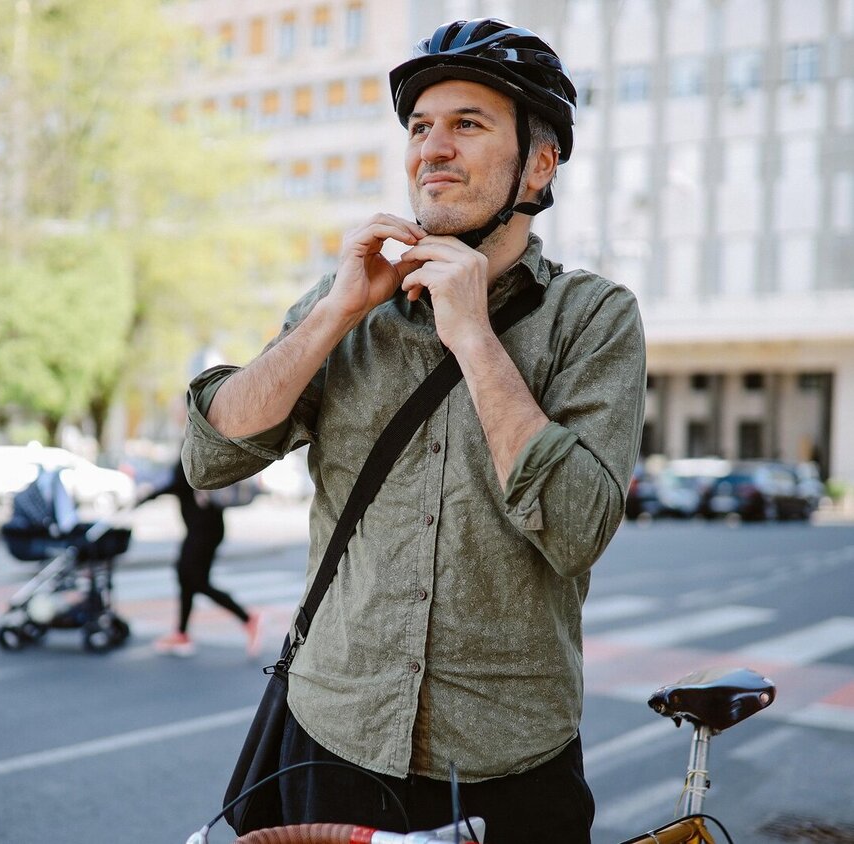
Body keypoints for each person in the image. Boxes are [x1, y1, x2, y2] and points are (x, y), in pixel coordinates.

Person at [182, 18, 645, 844]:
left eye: (467, 124)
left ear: (539, 164)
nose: (432, 148)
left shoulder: (594, 317)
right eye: (420, 127)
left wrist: (472, 333)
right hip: (334, 737)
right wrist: (333, 313)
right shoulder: (348, 303)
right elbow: (211, 456)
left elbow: (577, 527)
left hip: (511, 757)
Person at [144, 459, 262, 658]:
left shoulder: (195, 441)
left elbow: (181, 482)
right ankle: (181, 633)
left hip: (204, 529)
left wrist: (147, 495)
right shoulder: (194, 440)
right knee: (186, 577)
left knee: (196, 581)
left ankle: (248, 619)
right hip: (202, 527)